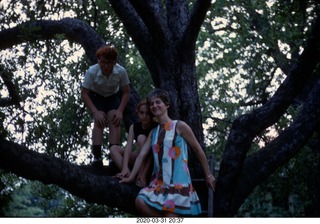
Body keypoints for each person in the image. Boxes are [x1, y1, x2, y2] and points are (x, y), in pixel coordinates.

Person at [120, 88, 216, 217]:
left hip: (178, 184)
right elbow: (141, 156)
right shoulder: (153, 132)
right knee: (140, 201)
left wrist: (208, 175)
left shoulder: (180, 126)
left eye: (158, 102)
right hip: (158, 184)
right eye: (152, 104)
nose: (154, 106)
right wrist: (131, 177)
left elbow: (198, 150)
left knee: (170, 216)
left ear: (167, 105)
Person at [81, 45, 130, 168]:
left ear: (114, 62)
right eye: (103, 62)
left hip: (113, 96)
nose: (106, 66)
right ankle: (97, 157)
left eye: (109, 63)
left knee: (114, 119)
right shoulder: (92, 71)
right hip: (96, 96)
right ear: (99, 61)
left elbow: (126, 92)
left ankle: (113, 157)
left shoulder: (121, 71)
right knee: (100, 121)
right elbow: (84, 93)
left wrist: (120, 111)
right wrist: (95, 111)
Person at [110, 99, 156, 187]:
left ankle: (140, 176)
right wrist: (124, 167)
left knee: (141, 138)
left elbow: (151, 155)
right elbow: (128, 147)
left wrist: (143, 174)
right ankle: (127, 174)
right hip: (138, 157)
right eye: (142, 113)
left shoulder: (155, 127)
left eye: (147, 113)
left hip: (149, 161)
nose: (144, 116)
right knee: (113, 149)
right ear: (137, 113)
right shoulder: (134, 127)